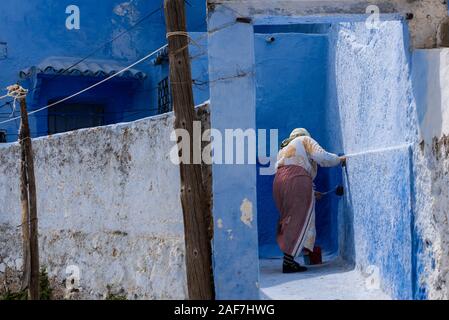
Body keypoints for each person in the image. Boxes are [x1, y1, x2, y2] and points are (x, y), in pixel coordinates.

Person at [273, 128, 346, 273]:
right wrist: (339, 160)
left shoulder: (283, 149)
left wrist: (310, 192)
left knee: (288, 219)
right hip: (297, 180)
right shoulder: (305, 140)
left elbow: (290, 173)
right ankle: (288, 263)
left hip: (279, 182)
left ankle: (288, 259)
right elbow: (322, 157)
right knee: (298, 220)